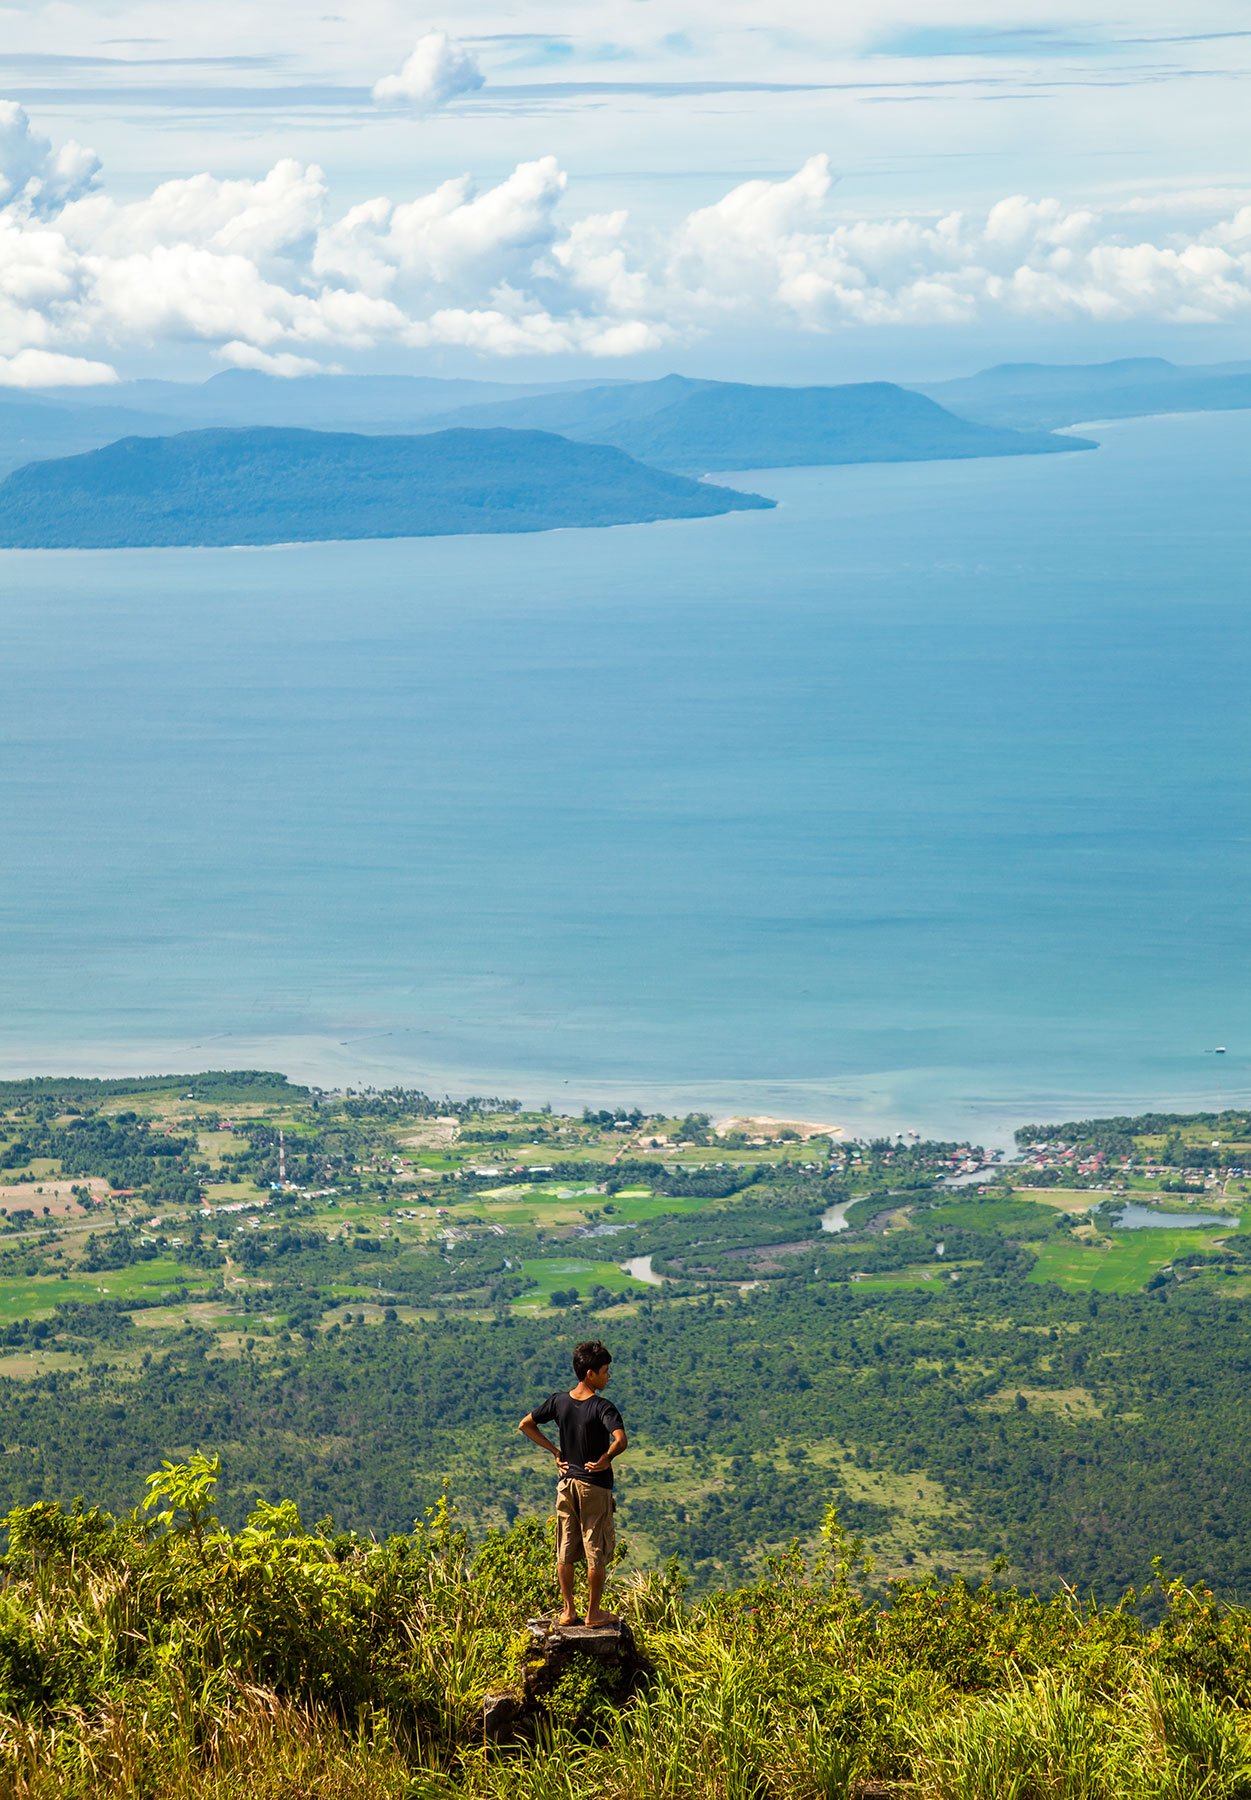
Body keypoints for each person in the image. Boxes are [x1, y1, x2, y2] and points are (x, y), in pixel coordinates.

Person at [518, 1338, 628, 1628]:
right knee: (596, 1548)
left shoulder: (558, 1401)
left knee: (565, 1547)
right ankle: (593, 1614)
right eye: (605, 1370)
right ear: (590, 1374)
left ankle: (568, 1611)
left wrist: (556, 1452)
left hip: (566, 1484)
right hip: (594, 1485)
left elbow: (525, 1424)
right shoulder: (603, 1407)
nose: (608, 1375)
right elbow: (621, 1440)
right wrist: (606, 1457)